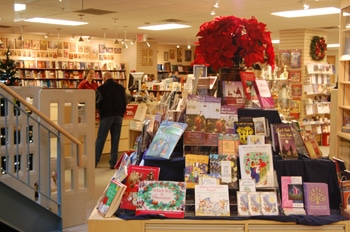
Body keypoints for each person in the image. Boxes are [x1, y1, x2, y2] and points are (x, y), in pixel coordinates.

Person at [95, 71, 127, 169]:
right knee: (115, 139)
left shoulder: (101, 89)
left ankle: (95, 161)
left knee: (101, 139)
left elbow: (97, 102)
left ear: (104, 79)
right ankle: (113, 163)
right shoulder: (121, 88)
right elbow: (125, 101)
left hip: (106, 116)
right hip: (118, 116)